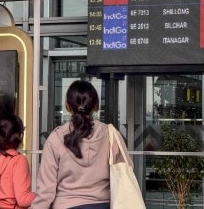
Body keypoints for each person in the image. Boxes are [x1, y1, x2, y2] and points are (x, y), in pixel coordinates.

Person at [32, 80, 131, 209]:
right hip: (104, 205)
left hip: (65, 205)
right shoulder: (111, 135)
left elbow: (45, 190)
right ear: (96, 106)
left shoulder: (56, 138)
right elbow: (126, 169)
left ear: (67, 106)